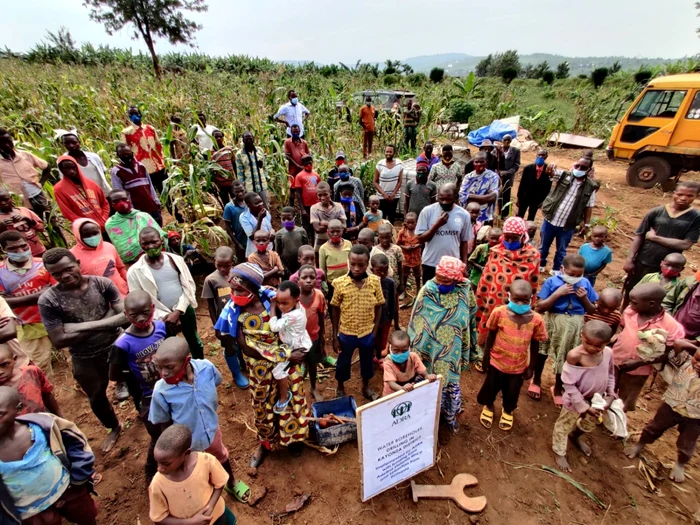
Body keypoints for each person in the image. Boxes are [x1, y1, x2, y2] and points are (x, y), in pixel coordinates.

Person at [215, 263, 309, 468]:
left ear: (253, 286)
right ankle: (266, 443)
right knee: (262, 405)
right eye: (232, 289)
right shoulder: (232, 310)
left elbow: (294, 323)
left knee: (292, 399)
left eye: (240, 289)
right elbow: (246, 348)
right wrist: (286, 355)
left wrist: (296, 350)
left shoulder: (272, 299)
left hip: (286, 362)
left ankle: (292, 439)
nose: (234, 293)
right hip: (261, 367)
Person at [38, 248, 125, 452]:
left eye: (68, 269)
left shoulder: (101, 283)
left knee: (136, 383)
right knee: (96, 396)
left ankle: (143, 412)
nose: (65, 275)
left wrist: (79, 327)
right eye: (57, 274)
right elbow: (59, 339)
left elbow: (123, 316)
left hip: (118, 345)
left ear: (77, 262)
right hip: (84, 356)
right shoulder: (49, 300)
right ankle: (114, 426)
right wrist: (107, 321)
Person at [149, 338, 247, 500]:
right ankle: (204, 493)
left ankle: (231, 482)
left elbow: (217, 381)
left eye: (169, 367)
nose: (163, 373)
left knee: (221, 456)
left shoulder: (206, 368)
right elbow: (164, 424)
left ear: (186, 361)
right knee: (193, 469)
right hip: (187, 445)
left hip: (211, 431)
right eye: (160, 367)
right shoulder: (162, 390)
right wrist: (174, 449)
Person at [0, 387, 98, 525]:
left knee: (86, 517)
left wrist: (79, 477)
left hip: (69, 490)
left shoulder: (44, 425)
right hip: (31, 512)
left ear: (18, 408)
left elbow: (77, 444)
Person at [408, 256, 473, 435]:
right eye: (438, 279)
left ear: (456, 279)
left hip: (452, 349)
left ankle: (447, 415)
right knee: (425, 377)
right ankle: (424, 415)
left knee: (448, 381)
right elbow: (416, 319)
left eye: (446, 281)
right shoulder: (428, 290)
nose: (440, 283)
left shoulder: (464, 289)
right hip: (426, 347)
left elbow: (469, 315)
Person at [624, 339, 700, 483]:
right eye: (697, 359)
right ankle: (640, 444)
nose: (698, 364)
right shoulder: (685, 362)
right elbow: (678, 344)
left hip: (696, 416)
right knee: (654, 427)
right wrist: (696, 348)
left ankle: (680, 463)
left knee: (687, 442)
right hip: (671, 405)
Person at [109, 290, 166, 480]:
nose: (141, 319)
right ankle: (151, 474)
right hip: (148, 395)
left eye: (145, 312)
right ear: (126, 315)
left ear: (152, 308)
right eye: (134, 315)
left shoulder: (161, 327)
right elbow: (115, 374)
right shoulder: (122, 344)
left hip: (169, 387)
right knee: (158, 436)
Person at [478, 280, 547, 431]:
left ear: (532, 297)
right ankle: (489, 405)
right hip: (497, 362)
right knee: (491, 386)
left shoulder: (537, 320)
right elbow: (490, 336)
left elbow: (536, 344)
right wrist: (486, 358)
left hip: (518, 366)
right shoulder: (499, 312)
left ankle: (508, 410)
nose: (520, 303)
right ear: (509, 294)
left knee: (512, 391)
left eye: (525, 300)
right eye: (516, 299)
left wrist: (531, 368)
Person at [474, 217, 541, 373]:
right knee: (489, 326)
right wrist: (480, 297)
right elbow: (486, 279)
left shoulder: (532, 256)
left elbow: (533, 283)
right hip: (491, 300)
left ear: (522, 236)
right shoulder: (496, 252)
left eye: (514, 238)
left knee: (510, 332)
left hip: (515, 304)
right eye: (507, 237)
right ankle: (484, 355)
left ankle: (505, 360)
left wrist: (529, 305)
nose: (510, 241)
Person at [128, 227, 204, 359]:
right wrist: (165, 317)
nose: (151, 246)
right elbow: (138, 301)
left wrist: (178, 311)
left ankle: (200, 366)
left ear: (161, 241)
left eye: (154, 241)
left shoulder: (176, 260)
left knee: (194, 342)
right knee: (167, 348)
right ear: (140, 245)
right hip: (160, 319)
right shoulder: (134, 271)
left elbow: (189, 286)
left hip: (185, 310)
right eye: (146, 243)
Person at [552, 321, 616, 472]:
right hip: (575, 401)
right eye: (588, 342)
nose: (592, 348)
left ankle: (575, 436)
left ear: (607, 343)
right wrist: (583, 406)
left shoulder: (608, 353)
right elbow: (568, 384)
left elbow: (611, 374)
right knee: (564, 425)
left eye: (598, 346)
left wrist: (611, 394)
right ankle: (559, 451)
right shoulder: (575, 356)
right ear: (582, 335)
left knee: (589, 424)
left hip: (597, 401)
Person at [534, 254, 598, 406]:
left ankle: (557, 387)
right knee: (542, 352)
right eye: (571, 274)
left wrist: (584, 299)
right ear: (562, 269)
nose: (575, 278)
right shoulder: (551, 282)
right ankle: (536, 379)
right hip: (552, 321)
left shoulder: (585, 284)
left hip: (574, 326)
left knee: (567, 357)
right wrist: (557, 294)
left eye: (578, 275)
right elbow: (540, 307)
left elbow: (592, 310)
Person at [613, 283, 685, 412]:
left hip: (638, 371)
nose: (630, 304)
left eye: (634, 302)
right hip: (615, 360)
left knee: (624, 398)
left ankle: (614, 420)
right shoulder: (630, 312)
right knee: (608, 389)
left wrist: (639, 363)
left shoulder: (671, 326)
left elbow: (668, 354)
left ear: (651, 304)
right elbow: (624, 328)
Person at [623, 181, 700, 299]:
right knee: (632, 291)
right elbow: (640, 235)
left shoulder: (695, 217)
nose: (683, 198)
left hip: (668, 267)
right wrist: (630, 259)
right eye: (680, 194)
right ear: (674, 193)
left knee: (656, 296)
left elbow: (686, 244)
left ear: (696, 196)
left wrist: (655, 238)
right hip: (644, 261)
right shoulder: (657, 212)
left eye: (689, 196)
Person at [149, 424, 237, 525]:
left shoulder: (206, 461)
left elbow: (220, 484)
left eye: (166, 464)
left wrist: (210, 507)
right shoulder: (157, 484)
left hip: (216, 516)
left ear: (186, 454)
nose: (159, 468)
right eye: (157, 462)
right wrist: (190, 522)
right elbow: (159, 519)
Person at [331, 245, 384, 400]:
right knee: (343, 362)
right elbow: (334, 308)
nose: (356, 268)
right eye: (353, 264)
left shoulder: (375, 281)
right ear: (349, 261)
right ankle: (340, 387)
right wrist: (335, 336)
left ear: (367, 264)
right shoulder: (339, 283)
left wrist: (374, 331)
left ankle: (365, 386)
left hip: (367, 332)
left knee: (367, 362)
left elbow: (379, 305)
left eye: (361, 265)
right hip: (346, 332)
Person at [0, 231, 54, 373]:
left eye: (23, 246)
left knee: (73, 354)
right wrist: (40, 294)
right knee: (38, 366)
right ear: (3, 250)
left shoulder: (44, 264)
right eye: (13, 249)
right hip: (28, 325)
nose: (20, 251)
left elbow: (57, 290)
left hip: (56, 317)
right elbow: (3, 302)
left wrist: (14, 299)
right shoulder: (0, 273)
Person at [539, 157, 599, 273]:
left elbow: (589, 206)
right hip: (550, 220)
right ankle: (541, 264)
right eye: (577, 166)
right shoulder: (563, 176)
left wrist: (586, 224)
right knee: (543, 246)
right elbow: (550, 172)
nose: (579, 169)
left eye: (583, 167)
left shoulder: (590, 187)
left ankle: (556, 268)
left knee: (561, 250)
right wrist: (550, 166)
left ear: (589, 170)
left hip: (568, 225)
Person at [204, 247, 249, 389]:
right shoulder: (210, 280)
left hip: (241, 317)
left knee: (243, 341)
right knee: (230, 346)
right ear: (214, 262)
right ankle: (236, 374)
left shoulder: (239, 274)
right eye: (219, 265)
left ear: (233, 262)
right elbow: (211, 306)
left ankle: (243, 363)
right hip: (224, 321)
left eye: (227, 266)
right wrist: (216, 326)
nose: (223, 269)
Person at [269, 281, 312, 413]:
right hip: (301, 340)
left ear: (295, 300)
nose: (280, 306)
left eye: (284, 303)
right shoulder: (298, 306)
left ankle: (284, 396)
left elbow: (274, 327)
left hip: (294, 346)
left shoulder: (292, 315)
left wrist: (272, 306)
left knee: (278, 371)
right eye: (278, 302)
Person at [416, 183, 473, 283]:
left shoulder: (463, 215)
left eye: (448, 199)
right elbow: (420, 239)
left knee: (450, 295)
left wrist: (463, 264)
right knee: (430, 295)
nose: (444, 202)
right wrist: (437, 225)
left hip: (453, 264)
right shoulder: (427, 211)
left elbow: (464, 242)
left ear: (455, 197)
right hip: (431, 263)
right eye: (441, 199)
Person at [0, 128, 52, 218]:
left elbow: (47, 167)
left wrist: (41, 183)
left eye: (8, 141)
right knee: (29, 225)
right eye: (2, 143)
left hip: (38, 195)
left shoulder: (25, 155)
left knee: (51, 221)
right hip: (18, 202)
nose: (7, 145)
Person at [70, 218, 128, 297]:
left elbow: (120, 268)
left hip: (122, 292)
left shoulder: (109, 246)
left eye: (95, 233)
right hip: (98, 298)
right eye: (86, 235)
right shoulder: (72, 255)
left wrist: (129, 284)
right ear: (78, 235)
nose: (92, 237)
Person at [105, 189, 166, 264]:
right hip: (134, 262)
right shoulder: (111, 224)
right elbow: (122, 249)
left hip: (157, 255)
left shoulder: (143, 216)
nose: (121, 203)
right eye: (116, 201)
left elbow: (161, 236)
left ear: (129, 200)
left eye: (124, 199)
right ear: (111, 204)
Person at [54, 156, 110, 230]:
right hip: (87, 228)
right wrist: (85, 224)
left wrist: (104, 217)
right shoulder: (59, 189)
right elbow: (67, 212)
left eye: (73, 167)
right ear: (61, 170)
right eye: (67, 169)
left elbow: (104, 203)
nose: (71, 171)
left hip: (105, 224)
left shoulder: (91, 184)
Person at [111, 142, 162, 225]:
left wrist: (156, 201)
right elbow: (120, 193)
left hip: (150, 204)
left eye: (128, 153)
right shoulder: (116, 171)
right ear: (118, 155)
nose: (126, 156)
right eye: (122, 154)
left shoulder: (141, 166)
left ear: (131, 152)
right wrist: (130, 209)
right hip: (136, 210)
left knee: (158, 225)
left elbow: (150, 185)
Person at [121, 106, 167, 194]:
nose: (134, 116)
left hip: (158, 166)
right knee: (150, 195)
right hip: (143, 169)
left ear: (140, 114)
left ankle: (172, 208)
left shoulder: (150, 128)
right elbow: (125, 152)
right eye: (131, 114)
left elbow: (158, 145)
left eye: (136, 113)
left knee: (166, 192)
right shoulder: (127, 133)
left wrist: (162, 161)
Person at [298, 264, 327, 401]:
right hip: (296, 340)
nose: (308, 280)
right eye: (304, 277)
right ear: (298, 280)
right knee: (295, 365)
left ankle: (313, 387)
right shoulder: (293, 297)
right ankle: (296, 389)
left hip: (313, 338)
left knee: (313, 363)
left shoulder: (319, 296)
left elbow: (321, 318)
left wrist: (322, 339)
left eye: (312, 277)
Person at [383, 330, 437, 396]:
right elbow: (391, 383)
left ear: (409, 348)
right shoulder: (388, 363)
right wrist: (402, 388)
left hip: (408, 392)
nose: (400, 354)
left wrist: (428, 376)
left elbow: (424, 373)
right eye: (396, 350)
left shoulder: (413, 357)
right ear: (390, 348)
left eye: (404, 351)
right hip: (392, 395)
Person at [60, 131, 111, 196]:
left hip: (104, 192)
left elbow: (103, 172)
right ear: (63, 144)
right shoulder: (63, 162)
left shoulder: (94, 157)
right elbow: (65, 181)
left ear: (79, 142)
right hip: (86, 195)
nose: (71, 145)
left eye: (74, 142)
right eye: (67, 143)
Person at [370, 254, 399, 364]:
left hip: (385, 318)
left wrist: (391, 317)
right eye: (379, 271)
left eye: (385, 270)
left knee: (382, 340)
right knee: (371, 339)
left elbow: (392, 302)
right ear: (372, 270)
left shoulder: (390, 283)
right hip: (371, 320)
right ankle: (369, 356)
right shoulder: (368, 283)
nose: (383, 273)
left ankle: (378, 356)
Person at [0, 188, 46, 257]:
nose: (3, 203)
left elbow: (41, 228)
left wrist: (29, 220)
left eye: (6, 199)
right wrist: (2, 227)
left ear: (11, 198)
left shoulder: (24, 210)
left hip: (40, 250)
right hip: (20, 257)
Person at [459, 152, 500, 225]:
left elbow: (493, 197)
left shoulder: (493, 176)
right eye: (476, 162)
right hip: (470, 216)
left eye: (482, 162)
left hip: (486, 216)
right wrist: (485, 197)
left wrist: (471, 196)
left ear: (486, 162)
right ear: (473, 163)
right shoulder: (468, 177)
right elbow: (462, 196)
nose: (479, 164)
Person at [319, 220, 352, 300]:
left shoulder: (348, 244)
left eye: (338, 231)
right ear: (327, 232)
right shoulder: (323, 248)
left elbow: (352, 262)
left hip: (347, 282)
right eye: (332, 231)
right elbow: (322, 269)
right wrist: (324, 283)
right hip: (332, 284)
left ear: (342, 231)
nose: (335, 234)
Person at [311, 182, 346, 254]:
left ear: (330, 193)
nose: (322, 198)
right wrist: (336, 225)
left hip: (337, 245)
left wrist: (325, 223)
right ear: (316, 195)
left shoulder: (338, 206)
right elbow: (317, 229)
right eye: (319, 195)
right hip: (320, 246)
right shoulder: (314, 208)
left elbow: (344, 226)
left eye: (325, 194)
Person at [236, 132, 269, 208]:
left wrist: (266, 178)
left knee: (265, 206)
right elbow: (240, 173)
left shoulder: (259, 150)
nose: (248, 140)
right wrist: (242, 187)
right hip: (249, 187)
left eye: (250, 138)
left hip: (262, 185)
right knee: (253, 207)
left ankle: (267, 220)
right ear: (243, 140)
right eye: (246, 139)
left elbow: (264, 166)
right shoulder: (239, 154)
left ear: (253, 139)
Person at [517, 148, 552, 221]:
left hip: (537, 199)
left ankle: (529, 231)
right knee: (520, 215)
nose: (540, 157)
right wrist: (519, 197)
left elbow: (548, 188)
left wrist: (543, 201)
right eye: (539, 155)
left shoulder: (548, 170)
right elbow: (522, 184)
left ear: (546, 157)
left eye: (543, 155)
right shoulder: (528, 168)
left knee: (531, 216)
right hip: (525, 196)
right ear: (536, 155)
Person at [374, 145, 404, 225]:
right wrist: (383, 194)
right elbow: (375, 182)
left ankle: (391, 235)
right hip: (382, 197)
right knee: (382, 217)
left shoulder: (399, 164)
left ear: (394, 153)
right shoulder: (380, 164)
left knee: (391, 217)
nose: (388, 153)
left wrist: (393, 194)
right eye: (387, 151)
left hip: (394, 197)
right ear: (384, 152)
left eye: (390, 151)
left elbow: (400, 181)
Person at [275, 207, 308, 277]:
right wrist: (284, 268)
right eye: (283, 219)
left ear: (294, 218)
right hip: (286, 268)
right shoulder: (279, 234)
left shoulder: (301, 231)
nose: (286, 221)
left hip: (301, 266)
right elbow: (278, 253)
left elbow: (306, 248)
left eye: (289, 219)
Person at [370, 223, 404, 290]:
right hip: (379, 282)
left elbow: (400, 267)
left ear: (391, 235)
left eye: (387, 237)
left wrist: (402, 283)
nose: (384, 240)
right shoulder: (374, 250)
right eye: (382, 237)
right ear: (378, 236)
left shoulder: (396, 249)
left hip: (394, 282)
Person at [239, 192, 273, 258]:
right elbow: (252, 237)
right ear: (248, 205)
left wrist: (272, 232)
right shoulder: (244, 217)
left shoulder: (266, 212)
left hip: (269, 248)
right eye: (256, 203)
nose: (261, 204)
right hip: (254, 252)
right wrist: (260, 219)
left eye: (261, 202)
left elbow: (270, 227)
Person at [294, 154, 320, 239]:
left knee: (316, 225)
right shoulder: (299, 176)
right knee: (306, 227)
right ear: (303, 165)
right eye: (306, 164)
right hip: (306, 206)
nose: (308, 165)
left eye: (310, 163)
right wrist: (302, 209)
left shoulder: (316, 175)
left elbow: (319, 189)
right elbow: (298, 193)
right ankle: (306, 244)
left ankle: (314, 243)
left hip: (316, 205)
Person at [222, 181, 248, 263]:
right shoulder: (229, 207)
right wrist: (237, 243)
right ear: (233, 191)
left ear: (245, 189)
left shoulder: (249, 202)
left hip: (252, 238)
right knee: (242, 263)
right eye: (237, 192)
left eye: (241, 191)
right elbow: (227, 226)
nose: (240, 194)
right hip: (240, 240)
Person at [397, 212, 422, 297]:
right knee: (405, 274)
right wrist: (405, 247)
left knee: (417, 273)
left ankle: (419, 289)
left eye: (413, 223)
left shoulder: (419, 231)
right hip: (406, 257)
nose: (410, 225)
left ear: (416, 222)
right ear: (405, 222)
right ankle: (403, 290)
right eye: (408, 223)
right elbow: (398, 244)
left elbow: (423, 242)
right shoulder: (402, 232)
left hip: (416, 257)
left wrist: (417, 245)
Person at [211, 130, 236, 204]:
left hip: (231, 182)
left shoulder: (228, 150)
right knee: (226, 203)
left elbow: (234, 163)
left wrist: (236, 179)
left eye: (220, 137)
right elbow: (211, 170)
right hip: (221, 184)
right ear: (212, 138)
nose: (218, 138)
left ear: (223, 138)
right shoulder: (211, 153)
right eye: (216, 137)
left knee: (236, 202)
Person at [499, 134, 521, 219]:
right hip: (498, 177)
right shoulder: (497, 150)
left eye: (509, 140)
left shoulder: (516, 151)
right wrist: (499, 172)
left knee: (506, 195)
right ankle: (498, 212)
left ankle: (504, 214)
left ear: (511, 141)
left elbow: (516, 165)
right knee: (498, 195)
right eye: (505, 140)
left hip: (508, 178)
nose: (507, 142)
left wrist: (507, 172)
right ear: (502, 140)